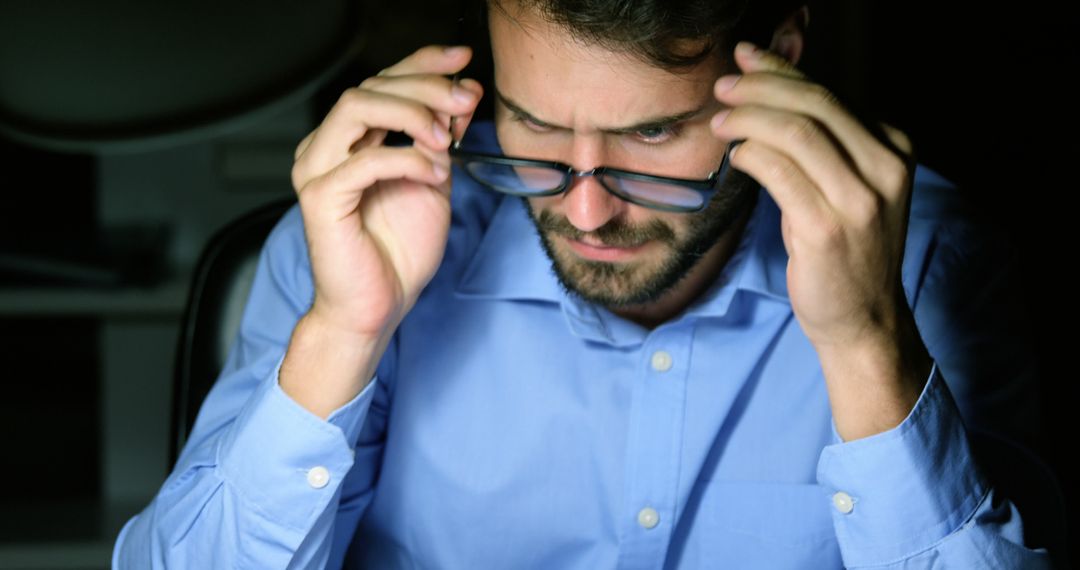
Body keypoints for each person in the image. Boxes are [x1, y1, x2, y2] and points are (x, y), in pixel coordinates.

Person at [113, 0, 1063, 568]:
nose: (586, 210)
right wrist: (342, 333)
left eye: (651, 136)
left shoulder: (932, 261)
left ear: (781, 59)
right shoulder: (356, 233)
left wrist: (866, 345)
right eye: (530, 126)